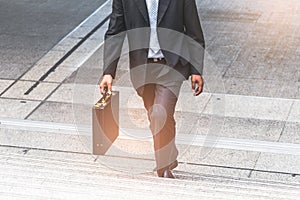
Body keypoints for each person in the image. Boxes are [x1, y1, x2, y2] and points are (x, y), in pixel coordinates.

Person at [100, 0, 205, 178]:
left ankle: (163, 166)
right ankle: (169, 155)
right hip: (143, 68)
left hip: (172, 66)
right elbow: (115, 32)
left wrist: (196, 70)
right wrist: (109, 72)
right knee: (157, 117)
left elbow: (194, 33)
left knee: (159, 114)